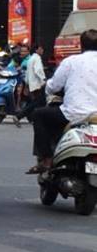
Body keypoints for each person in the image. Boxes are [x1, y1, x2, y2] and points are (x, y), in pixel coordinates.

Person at [28, 29, 97, 174]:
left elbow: (53, 86)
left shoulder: (71, 61)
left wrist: (49, 90)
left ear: (81, 45)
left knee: (39, 115)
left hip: (74, 114)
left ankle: (46, 159)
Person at [16, 44, 46, 125]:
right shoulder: (37, 58)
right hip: (37, 85)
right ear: (37, 50)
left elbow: (27, 74)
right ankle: (20, 116)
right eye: (41, 49)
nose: (42, 51)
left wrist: (27, 84)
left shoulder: (31, 59)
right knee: (37, 103)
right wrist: (43, 79)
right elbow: (38, 70)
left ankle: (32, 118)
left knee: (36, 103)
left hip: (31, 85)